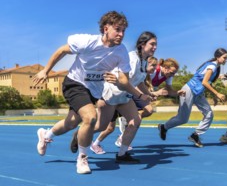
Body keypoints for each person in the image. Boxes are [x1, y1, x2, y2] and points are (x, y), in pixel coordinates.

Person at [34, 11, 148, 174]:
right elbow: (62, 51)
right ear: (105, 28)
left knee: (71, 123)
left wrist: (135, 92)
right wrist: (46, 71)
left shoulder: (121, 52)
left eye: (123, 31)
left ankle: (45, 134)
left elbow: (124, 81)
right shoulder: (87, 41)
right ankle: (82, 158)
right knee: (90, 117)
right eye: (117, 29)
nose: (121, 34)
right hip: (75, 83)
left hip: (94, 90)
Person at [158, 48, 227, 147]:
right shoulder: (212, 66)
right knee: (183, 119)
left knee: (209, 114)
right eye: (224, 58)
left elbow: (207, 83)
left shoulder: (214, 67)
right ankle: (163, 127)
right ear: (217, 57)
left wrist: (214, 96)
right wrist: (217, 94)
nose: (226, 60)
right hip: (189, 90)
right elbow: (204, 82)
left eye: (226, 58)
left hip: (198, 93)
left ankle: (196, 135)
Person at [90, 56, 159, 154]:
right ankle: (85, 137)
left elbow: (139, 84)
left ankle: (122, 152)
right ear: (146, 63)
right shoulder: (132, 67)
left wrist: (149, 94)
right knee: (106, 128)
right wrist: (140, 95)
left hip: (124, 99)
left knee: (135, 120)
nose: (154, 68)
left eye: (155, 66)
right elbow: (125, 84)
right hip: (112, 97)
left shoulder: (142, 73)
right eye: (153, 65)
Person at [114, 57, 186, 148]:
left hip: (142, 92)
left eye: (174, 73)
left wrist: (177, 93)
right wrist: (149, 94)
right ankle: (124, 133)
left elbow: (169, 90)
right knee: (148, 110)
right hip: (134, 90)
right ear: (165, 67)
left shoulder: (167, 76)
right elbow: (138, 82)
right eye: (172, 73)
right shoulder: (154, 70)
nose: (172, 75)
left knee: (148, 111)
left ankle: (126, 125)